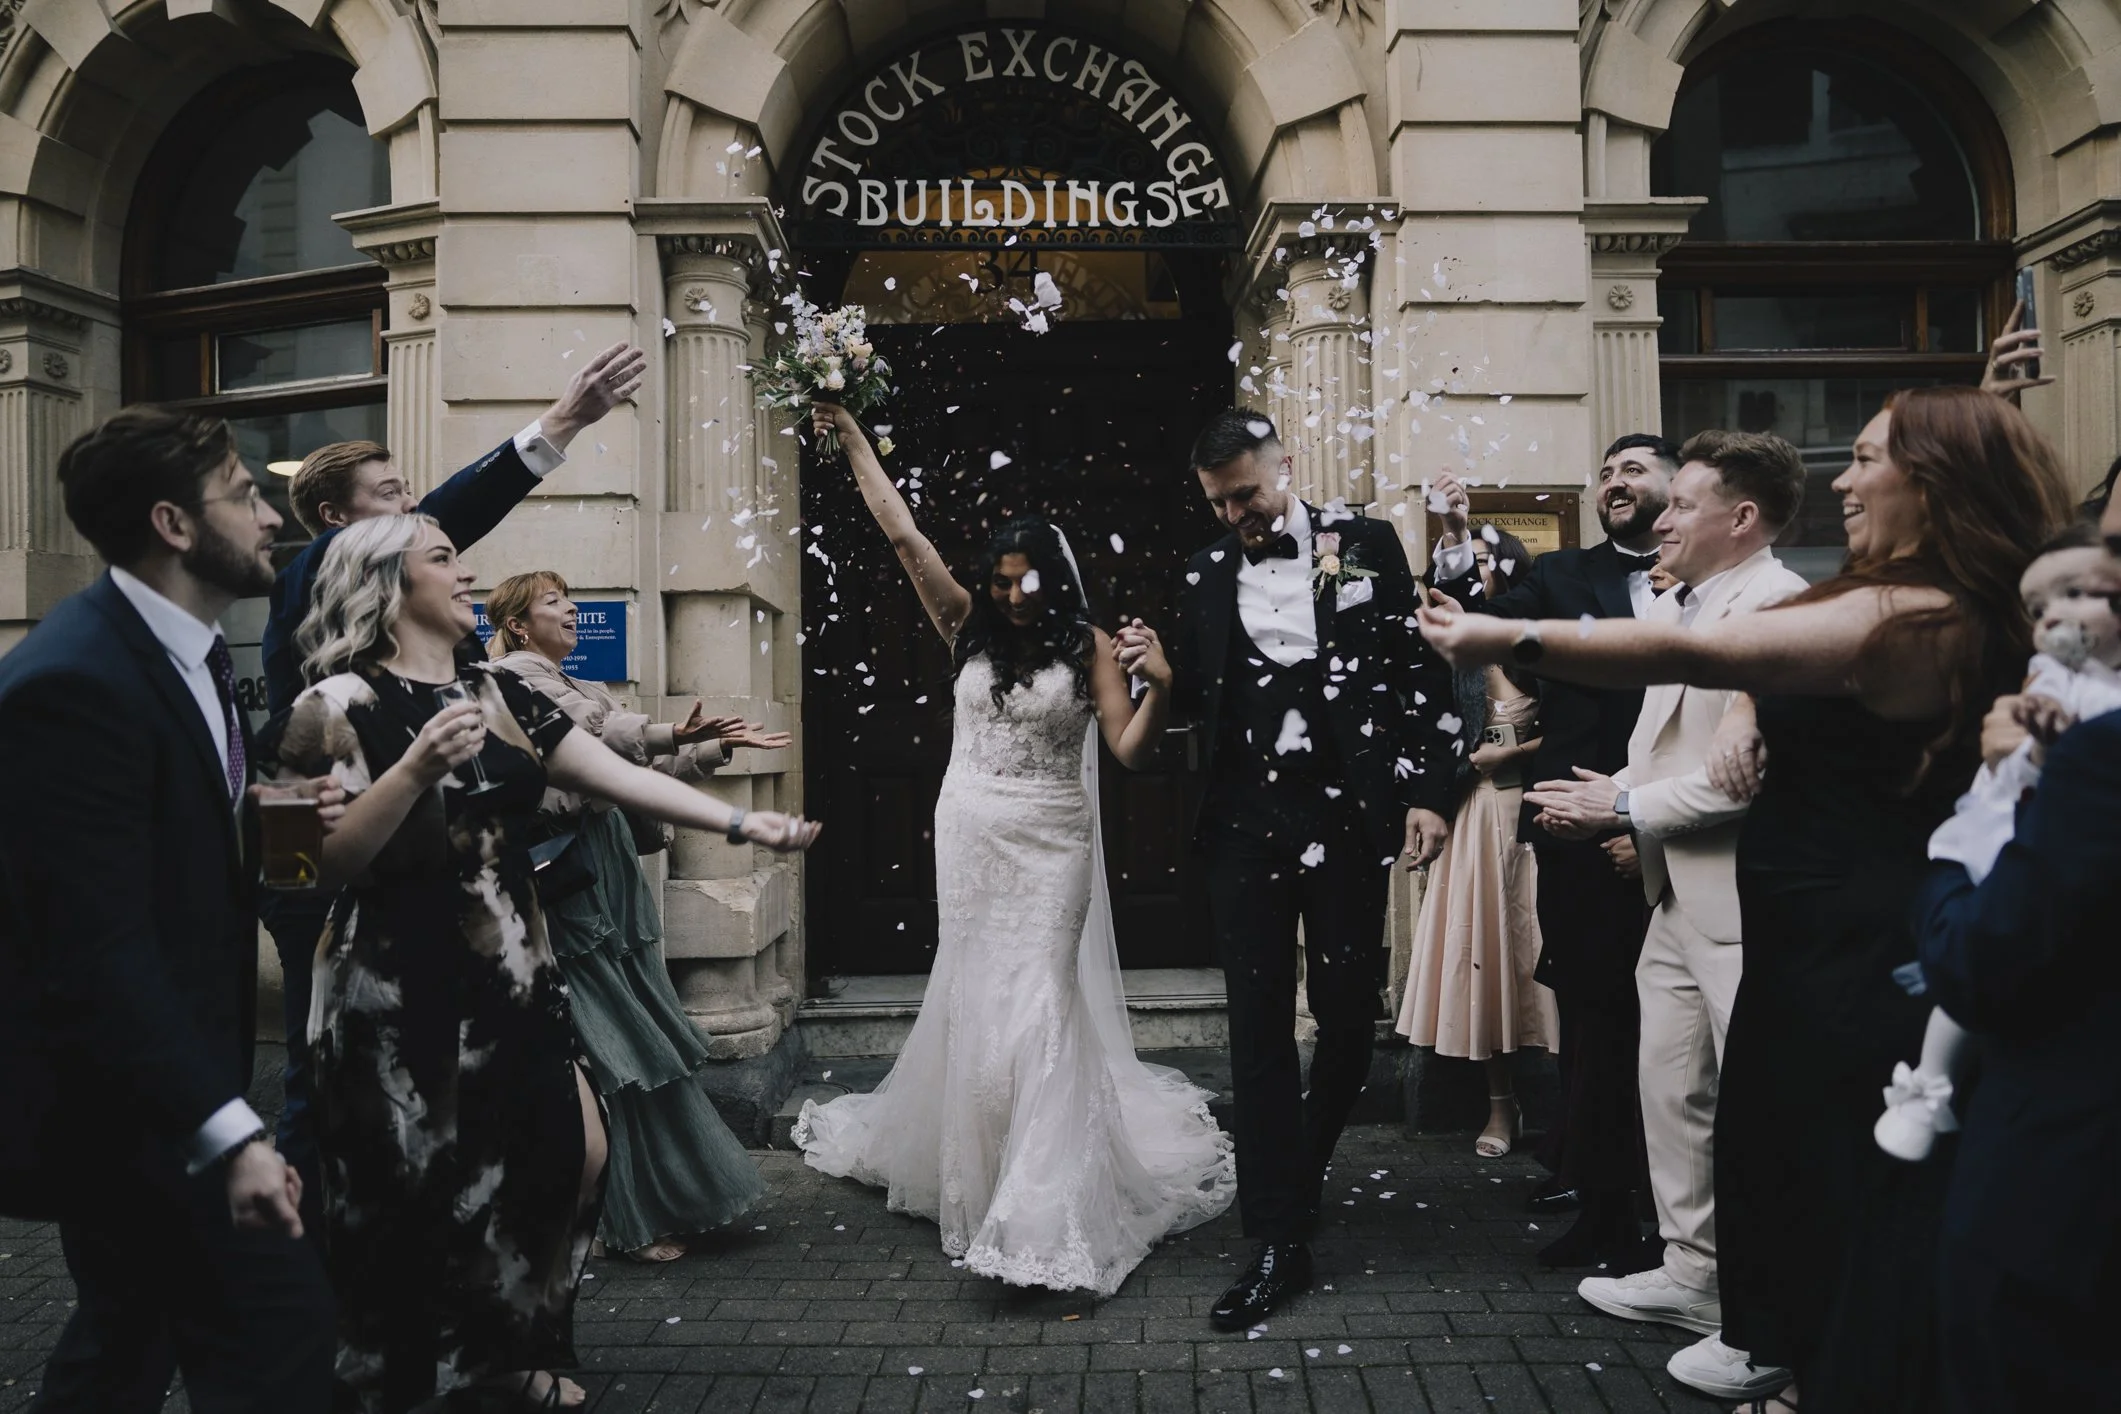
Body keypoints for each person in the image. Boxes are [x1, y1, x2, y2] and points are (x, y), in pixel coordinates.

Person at [1416, 385, 2073, 1414]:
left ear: (1937, 483)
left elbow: (1701, 656)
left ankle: (1817, 1362)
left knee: (1828, 1168)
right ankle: (1780, 1335)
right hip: (1807, 926)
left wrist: (1506, 637)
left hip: (1858, 937)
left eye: (1866, 459)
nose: (1842, 479)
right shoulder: (1911, 591)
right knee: (1761, 1137)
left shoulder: (1918, 611)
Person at [267, 515, 818, 1409]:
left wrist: (740, 821)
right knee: (414, 1194)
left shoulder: (496, 691)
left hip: (513, 963)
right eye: (442, 558)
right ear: (386, 585)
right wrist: (406, 774)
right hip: (397, 980)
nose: (467, 571)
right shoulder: (329, 706)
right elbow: (293, 867)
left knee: (572, 1152)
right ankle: (413, 1372)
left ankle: (507, 1347)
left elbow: (609, 771)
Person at [792, 401, 1235, 1299]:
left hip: (1051, 839)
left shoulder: (1093, 646)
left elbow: (1129, 752)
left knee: (1039, 1000)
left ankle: (1042, 1206)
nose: (1007, 594)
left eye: (1023, 582)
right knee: (977, 992)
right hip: (970, 831)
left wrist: (1161, 689)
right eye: (998, 580)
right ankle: (984, 1175)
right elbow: (906, 539)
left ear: (1056, 582)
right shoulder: (967, 629)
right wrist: (850, 443)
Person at [257, 341, 646, 1230]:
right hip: (326, 866)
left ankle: (444, 1280)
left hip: (422, 872)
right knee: (320, 1083)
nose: (414, 520)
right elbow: (447, 513)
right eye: (390, 500)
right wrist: (559, 426)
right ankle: (292, 1272)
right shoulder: (314, 575)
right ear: (333, 519)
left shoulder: (415, 616)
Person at [0, 407, 336, 1410]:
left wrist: (262, 820)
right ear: (174, 524)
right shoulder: (69, 682)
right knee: (280, 1334)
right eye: (243, 493)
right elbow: (92, 944)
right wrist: (228, 1133)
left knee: (124, 1346)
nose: (270, 514)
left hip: (175, 1090)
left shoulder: (190, 651)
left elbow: (158, 845)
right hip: (128, 1109)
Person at [1151, 408, 1456, 1331]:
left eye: (1245, 493)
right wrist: (1152, 675)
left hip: (1346, 813)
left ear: (1284, 466)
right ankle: (1277, 1233)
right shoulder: (1201, 573)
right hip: (1243, 823)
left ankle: (1298, 1164)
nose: (1236, 515)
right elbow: (1186, 701)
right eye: (1218, 503)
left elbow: (1419, 673)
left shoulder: (1364, 542)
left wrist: (1428, 792)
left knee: (1349, 1015)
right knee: (1254, 1028)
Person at [1521, 430, 1810, 1388]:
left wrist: (1625, 807)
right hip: (1676, 891)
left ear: (1739, 519)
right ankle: (1692, 1272)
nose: (1662, 516)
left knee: (1761, 1116)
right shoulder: (1691, 604)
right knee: (1672, 1090)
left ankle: (1775, 1326)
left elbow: (1747, 781)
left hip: (1742, 900)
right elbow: (1676, 750)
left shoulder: (1773, 608)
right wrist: (1621, 792)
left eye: (1682, 503)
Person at [489, 571, 790, 1261]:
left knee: (627, 1029)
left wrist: (711, 749)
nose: (570, 610)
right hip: (571, 872)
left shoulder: (578, 683)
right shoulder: (513, 680)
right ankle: (614, 1216)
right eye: (552, 602)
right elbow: (597, 735)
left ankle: (626, 1206)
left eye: (570, 597)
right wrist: (664, 731)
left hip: (607, 865)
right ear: (516, 626)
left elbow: (631, 773)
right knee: (610, 1042)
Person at [1427, 434, 1676, 1267]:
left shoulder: (1711, 584)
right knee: (1594, 1022)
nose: (1613, 481)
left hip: (1681, 837)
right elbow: (1483, 626)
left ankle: (1675, 1212)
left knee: (1679, 1030)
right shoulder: (1565, 576)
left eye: (1633, 469)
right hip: (1577, 833)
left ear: (1677, 488)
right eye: (1604, 471)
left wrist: (1647, 823)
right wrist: (1457, 540)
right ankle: (1601, 1206)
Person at [1911, 494, 2121, 1413]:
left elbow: (1988, 956)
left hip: (2066, 1175)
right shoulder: (2054, 684)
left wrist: (1943, 875)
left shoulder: (2101, 746)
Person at [1881, 524, 2121, 1162]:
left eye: (2077, 593)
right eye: (2038, 609)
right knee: (1966, 976)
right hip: (2006, 830)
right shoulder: (2051, 675)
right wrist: (2042, 737)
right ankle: (1927, 1089)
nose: (2056, 617)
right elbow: (2024, 747)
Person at [1395, 526, 1556, 1158]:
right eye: (1472, 564)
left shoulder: (1539, 646)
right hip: (1475, 817)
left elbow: (1577, 727)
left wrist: (1510, 754)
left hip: (1538, 812)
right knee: (1483, 959)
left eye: (1489, 564)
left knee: (1540, 956)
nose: (1478, 576)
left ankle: (1568, 1102)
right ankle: (1499, 1106)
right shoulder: (1453, 659)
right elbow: (1428, 735)